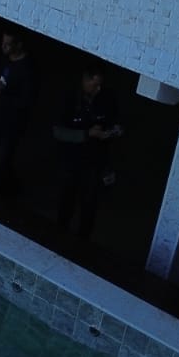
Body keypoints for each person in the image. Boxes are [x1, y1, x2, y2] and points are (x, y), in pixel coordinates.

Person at [53, 64, 122, 241]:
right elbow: (58, 131)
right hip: (72, 160)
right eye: (94, 85)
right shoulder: (70, 99)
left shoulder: (106, 99)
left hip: (95, 162)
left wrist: (113, 131)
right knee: (67, 200)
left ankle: (82, 242)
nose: (98, 89)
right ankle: (58, 236)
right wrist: (86, 134)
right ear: (85, 80)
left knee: (89, 204)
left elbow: (116, 123)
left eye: (100, 85)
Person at [0, 30, 35, 195]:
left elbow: (26, 101)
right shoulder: (4, 59)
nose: (3, 47)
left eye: (7, 44)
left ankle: (2, 192)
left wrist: (1, 96)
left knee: (4, 158)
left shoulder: (28, 70)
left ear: (18, 45)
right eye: (3, 43)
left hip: (12, 123)